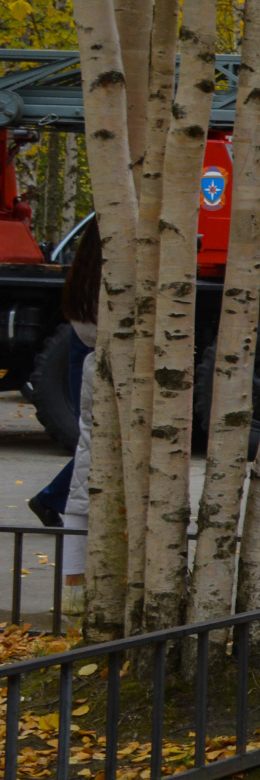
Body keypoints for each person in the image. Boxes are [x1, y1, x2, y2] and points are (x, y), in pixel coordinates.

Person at [25, 218, 98, 613]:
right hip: (94, 366)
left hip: (87, 360)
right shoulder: (97, 288)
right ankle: (51, 498)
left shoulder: (84, 277)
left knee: (92, 452)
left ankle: (50, 498)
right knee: (94, 454)